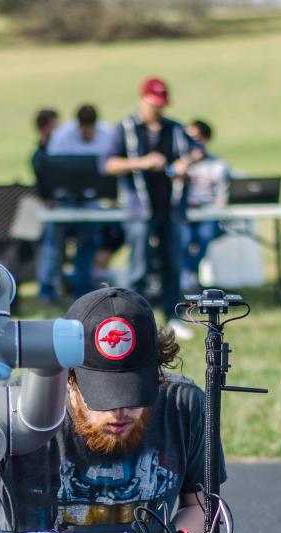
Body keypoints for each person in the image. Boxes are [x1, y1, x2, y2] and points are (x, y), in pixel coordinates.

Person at [0, 287, 219, 533]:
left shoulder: (183, 405)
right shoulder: (8, 411)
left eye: (135, 395)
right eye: (102, 397)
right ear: (67, 377)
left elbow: (200, 507)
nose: (119, 411)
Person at [105, 78, 198, 340]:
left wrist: (184, 165)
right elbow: (108, 164)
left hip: (171, 209)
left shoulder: (175, 129)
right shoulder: (125, 128)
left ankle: (172, 317)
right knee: (138, 268)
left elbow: (195, 153)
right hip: (139, 209)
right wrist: (142, 162)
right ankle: (131, 320)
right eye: (153, 104)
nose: (158, 110)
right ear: (142, 99)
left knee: (173, 265)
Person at [43, 104, 115, 300]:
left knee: (88, 245)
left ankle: (82, 291)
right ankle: (47, 291)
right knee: (53, 245)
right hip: (63, 201)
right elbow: (51, 168)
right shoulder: (62, 137)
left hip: (93, 201)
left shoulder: (108, 134)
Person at [182, 119, 230, 293]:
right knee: (183, 239)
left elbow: (222, 198)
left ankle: (186, 278)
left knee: (205, 235)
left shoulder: (217, 166)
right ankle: (187, 278)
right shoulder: (180, 164)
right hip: (183, 215)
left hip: (207, 214)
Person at [31, 108, 61, 303]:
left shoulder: (57, 150)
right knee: (50, 245)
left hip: (62, 206)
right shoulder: (40, 155)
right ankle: (46, 290)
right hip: (48, 208)